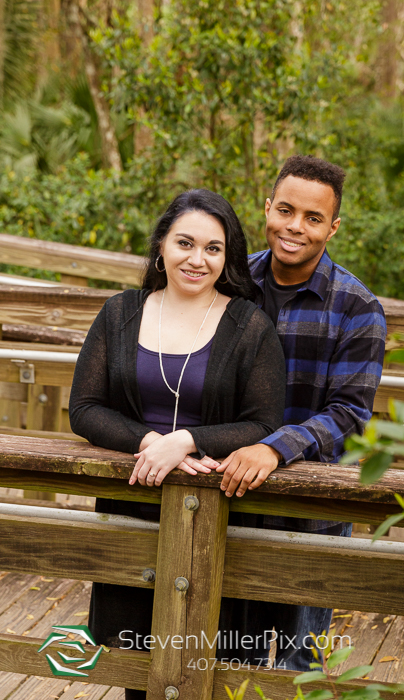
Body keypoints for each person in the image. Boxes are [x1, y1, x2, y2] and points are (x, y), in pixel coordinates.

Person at [68, 189, 286, 700]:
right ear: (162, 245)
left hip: (218, 515)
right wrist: (149, 441)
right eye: (185, 242)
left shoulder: (250, 326)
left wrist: (185, 440)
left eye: (214, 248)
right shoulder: (120, 312)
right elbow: (85, 407)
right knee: (134, 664)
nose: (198, 258)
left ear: (228, 256)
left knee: (215, 664)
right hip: (133, 505)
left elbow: (263, 421)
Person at [213, 155, 387, 670]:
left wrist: (274, 446)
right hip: (228, 501)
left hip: (311, 514)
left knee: (298, 668)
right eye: (285, 210)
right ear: (267, 208)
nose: (295, 227)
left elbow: (350, 414)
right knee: (223, 659)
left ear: (333, 227)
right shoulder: (231, 285)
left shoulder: (358, 308)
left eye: (313, 218)